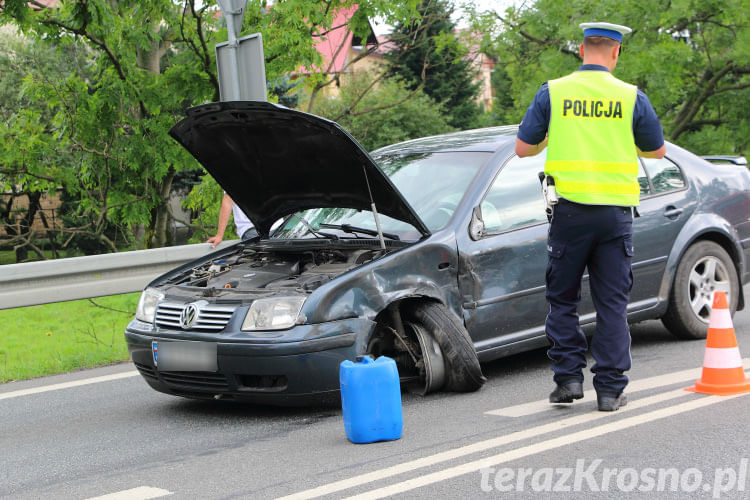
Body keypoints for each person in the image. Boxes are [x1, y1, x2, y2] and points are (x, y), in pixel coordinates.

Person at [515, 22, 666, 411]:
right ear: (616, 54)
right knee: (612, 303)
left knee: (562, 299)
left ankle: (567, 382)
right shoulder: (632, 97)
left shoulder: (554, 92)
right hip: (615, 217)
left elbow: (522, 148)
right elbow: (657, 153)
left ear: (581, 50)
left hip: (570, 214)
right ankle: (611, 391)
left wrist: (553, 136)